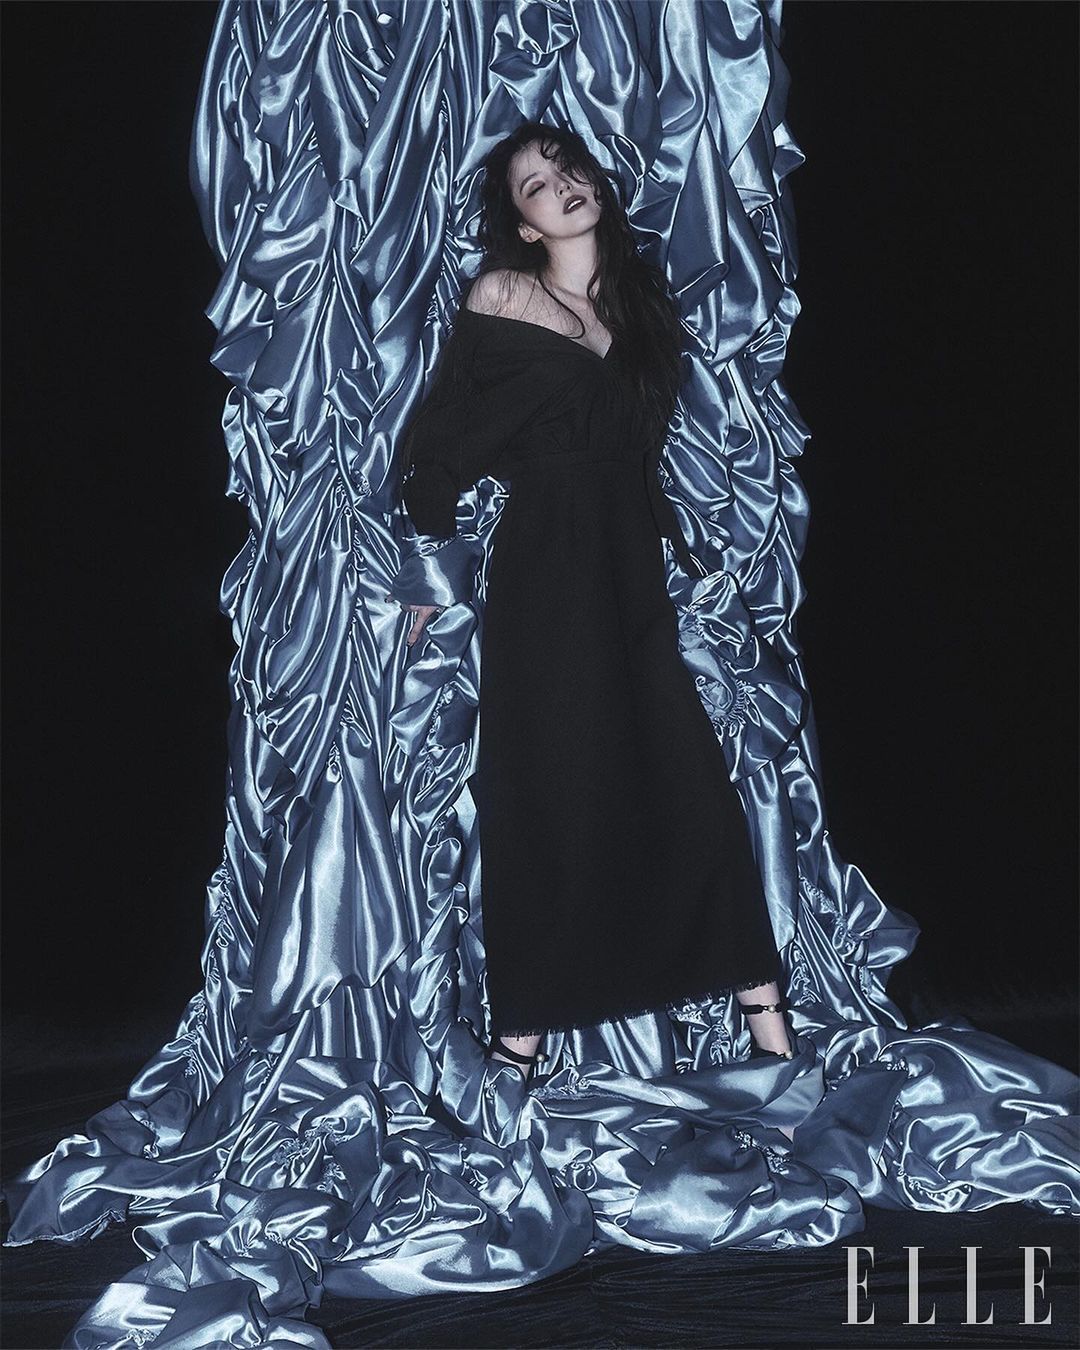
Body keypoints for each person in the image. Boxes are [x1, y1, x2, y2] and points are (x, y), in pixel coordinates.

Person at [390, 122, 797, 1082]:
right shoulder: (503, 293)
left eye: (566, 168)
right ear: (524, 226)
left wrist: (688, 562)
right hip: (547, 579)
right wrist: (429, 566)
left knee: (685, 782)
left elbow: (639, 462)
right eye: (534, 184)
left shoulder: (638, 313)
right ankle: (522, 1041)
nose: (559, 185)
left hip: (630, 578)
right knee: (552, 794)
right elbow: (441, 436)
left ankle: (765, 1016)